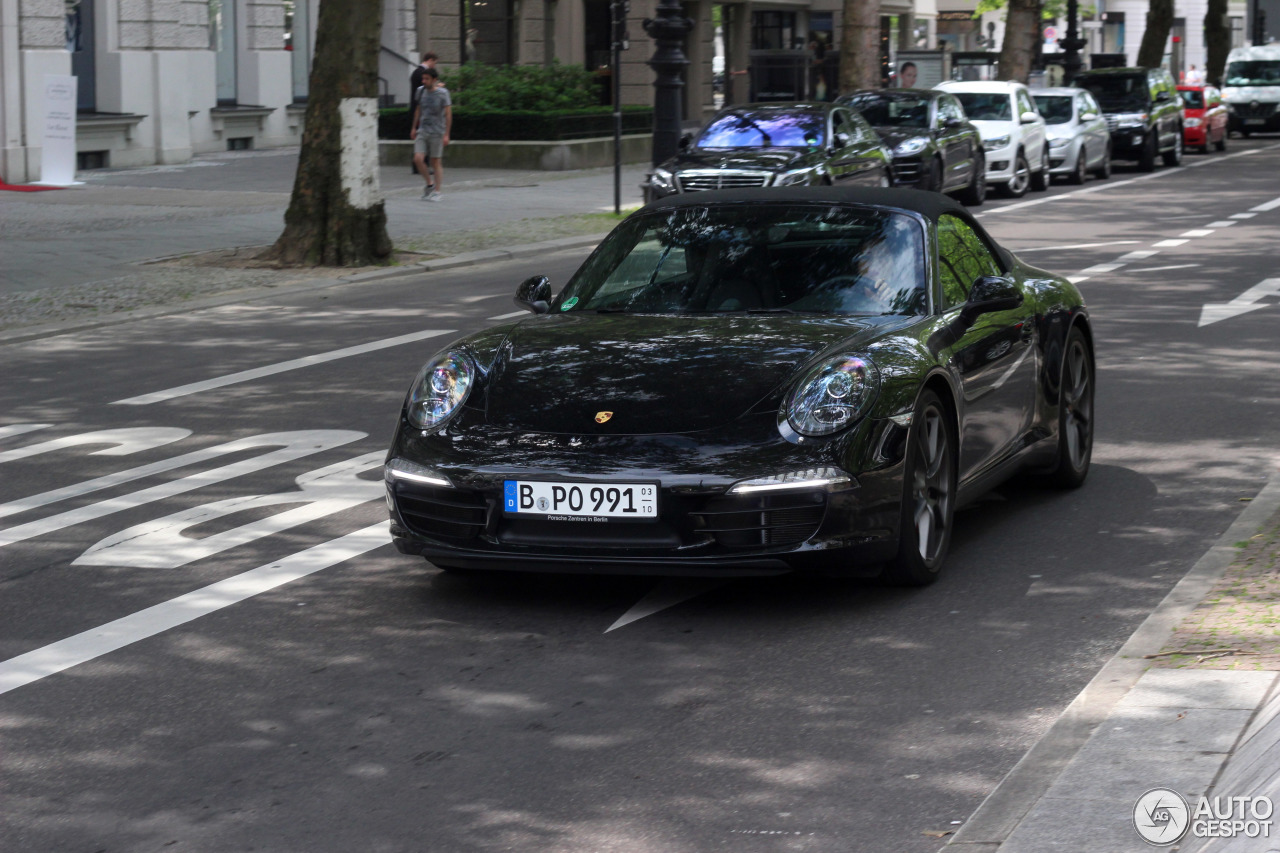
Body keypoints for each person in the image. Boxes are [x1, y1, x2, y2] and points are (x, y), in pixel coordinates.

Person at [411, 67, 452, 202]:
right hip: (423, 130)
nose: (424, 81)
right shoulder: (420, 91)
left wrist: (446, 134)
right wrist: (414, 128)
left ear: (434, 80)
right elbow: (418, 110)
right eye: (423, 79)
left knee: (435, 161)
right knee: (418, 158)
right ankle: (429, 183)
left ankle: (437, 191)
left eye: (427, 79)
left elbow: (448, 114)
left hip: (437, 131)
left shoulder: (443, 93)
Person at [409, 53, 438, 176]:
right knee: (423, 138)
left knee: (422, 138)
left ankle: (419, 164)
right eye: (434, 62)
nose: (434, 65)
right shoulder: (420, 73)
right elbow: (424, 90)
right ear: (430, 60)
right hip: (421, 110)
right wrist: (437, 87)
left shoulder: (417, 72)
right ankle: (420, 164)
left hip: (419, 109)